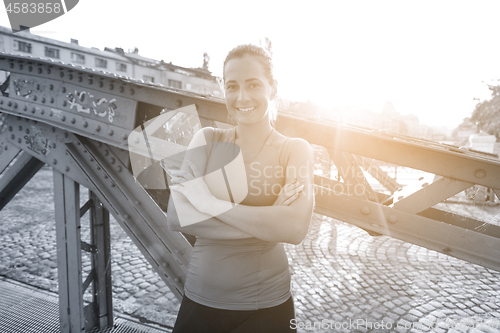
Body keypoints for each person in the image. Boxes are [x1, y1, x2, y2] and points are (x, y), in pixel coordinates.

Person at [166, 44, 315, 333]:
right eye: (232, 86)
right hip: (200, 302)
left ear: (273, 88)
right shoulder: (207, 139)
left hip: (267, 310)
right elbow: (176, 216)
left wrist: (209, 204)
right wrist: (271, 220)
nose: (242, 96)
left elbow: (295, 229)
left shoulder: (294, 150)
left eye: (254, 85)